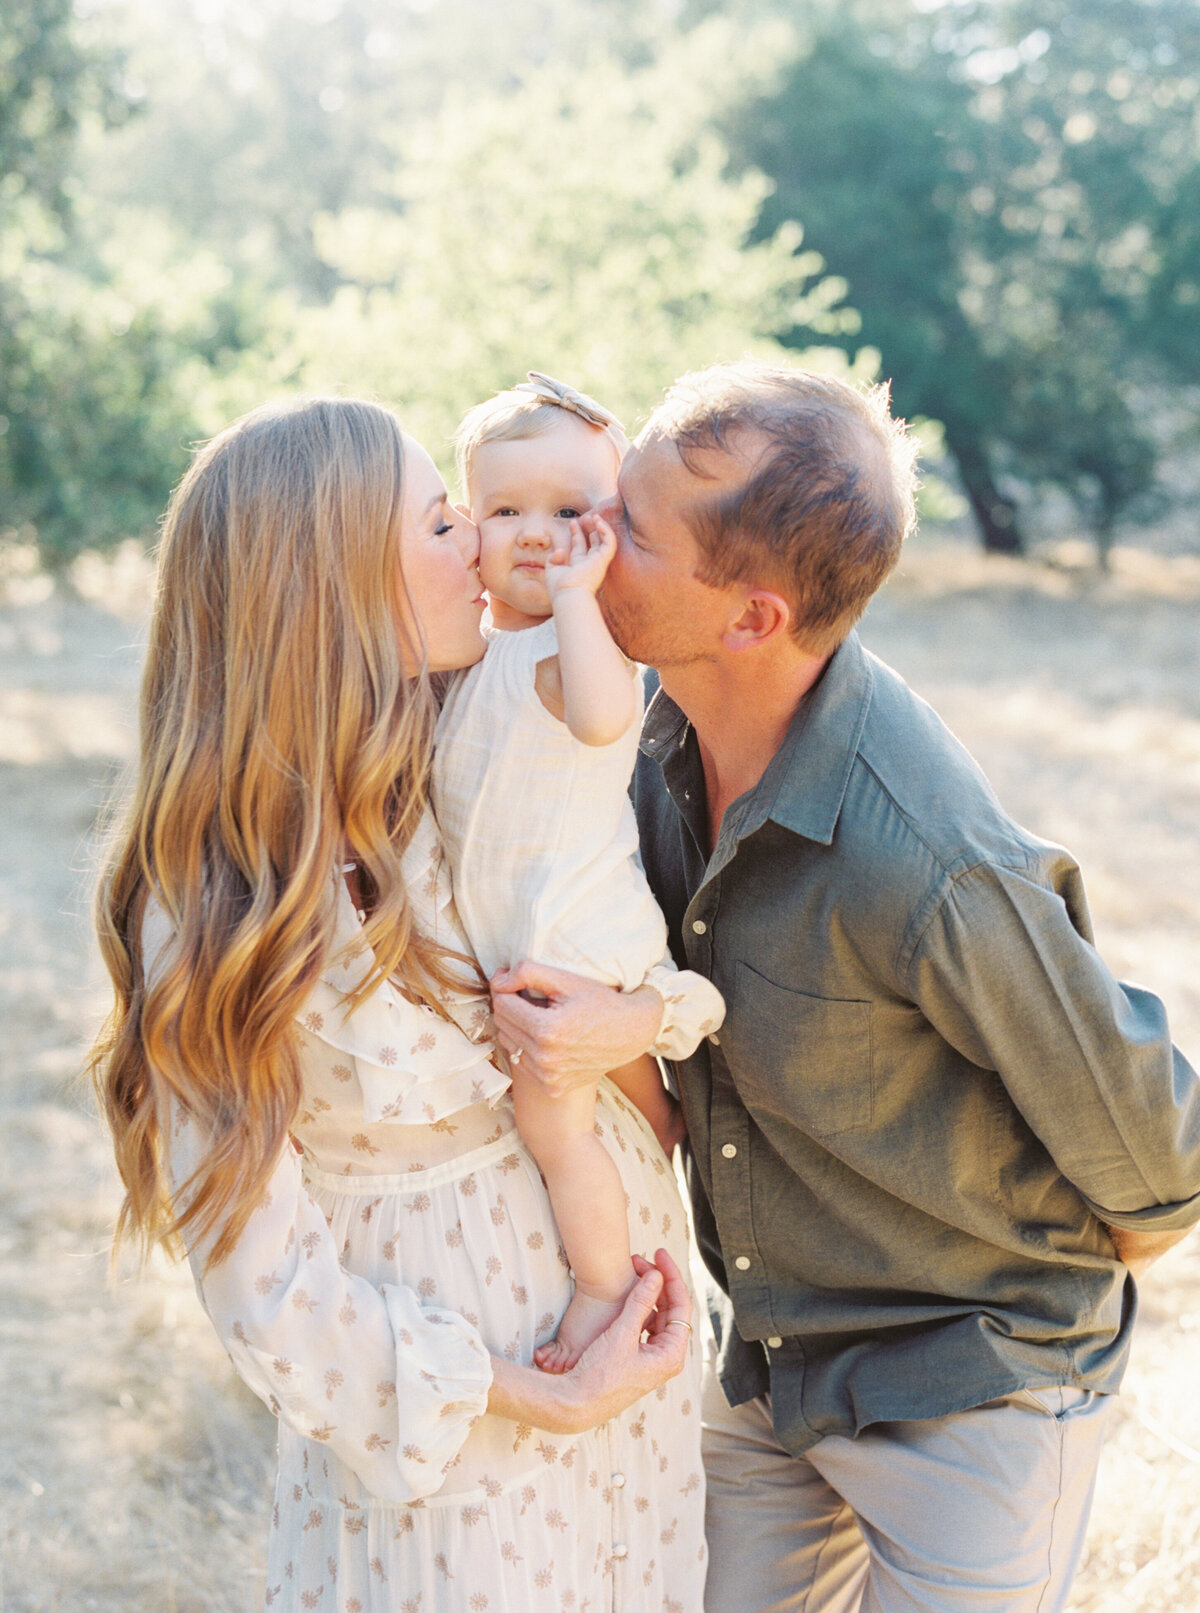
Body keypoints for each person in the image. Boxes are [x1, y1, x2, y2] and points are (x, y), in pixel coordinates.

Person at [489, 360, 1200, 1612]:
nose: (588, 542)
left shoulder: (924, 861)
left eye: (631, 530)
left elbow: (1161, 1158)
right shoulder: (643, 738)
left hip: (974, 1384)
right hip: (777, 1357)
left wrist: (1019, 1288)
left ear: (752, 617)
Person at [88, 395, 708, 1613]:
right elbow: (264, 1285)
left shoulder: (458, 749)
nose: (482, 544)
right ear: (331, 586)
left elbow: (607, 990)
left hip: (626, 1330)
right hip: (461, 1408)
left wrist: (630, 1027)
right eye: (443, 521)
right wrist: (539, 1391)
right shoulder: (217, 901)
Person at [435, 372, 725, 1372]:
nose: (535, 532)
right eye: (504, 508)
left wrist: (573, 598)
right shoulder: (474, 652)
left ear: (607, 529)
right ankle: (661, 1119)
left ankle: (605, 1283)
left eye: (568, 512)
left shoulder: (578, 646)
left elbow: (607, 719)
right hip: (516, 931)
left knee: (550, 1122)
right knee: (608, 1110)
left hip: (573, 938)